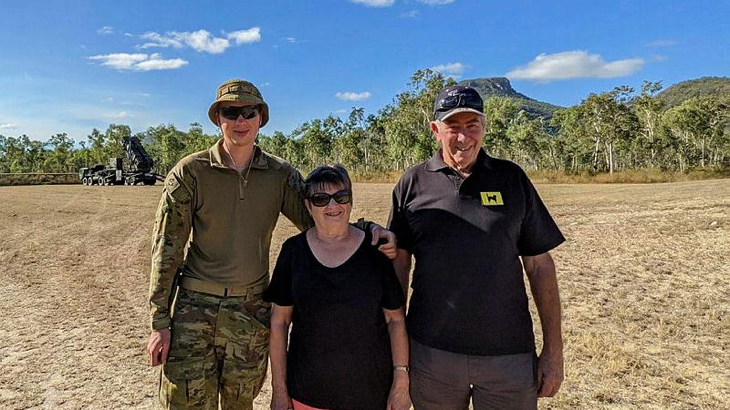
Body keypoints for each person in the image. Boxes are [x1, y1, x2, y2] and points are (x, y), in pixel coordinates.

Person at [146, 79, 396, 409]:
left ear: (261, 118)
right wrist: (159, 322)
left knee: (241, 403)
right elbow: (167, 248)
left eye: (249, 112)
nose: (240, 121)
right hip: (195, 309)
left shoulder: (280, 175)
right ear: (217, 118)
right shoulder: (190, 173)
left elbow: (322, 215)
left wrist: (366, 229)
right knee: (185, 403)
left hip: (250, 312)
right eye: (230, 112)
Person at [388, 85, 566, 409]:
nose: (463, 137)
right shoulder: (412, 184)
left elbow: (540, 266)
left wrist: (554, 350)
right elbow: (398, 265)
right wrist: (395, 350)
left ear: (484, 127)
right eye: (453, 126)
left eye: (472, 126)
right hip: (431, 355)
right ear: (435, 130)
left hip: (509, 357)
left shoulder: (512, 179)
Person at [264, 165, 411, 410]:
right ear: (308, 206)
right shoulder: (293, 252)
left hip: (371, 393)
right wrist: (279, 389)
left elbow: (395, 320)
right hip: (307, 393)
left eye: (341, 197)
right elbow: (279, 323)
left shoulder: (376, 251)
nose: (332, 207)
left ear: (350, 201)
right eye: (321, 199)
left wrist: (401, 381)